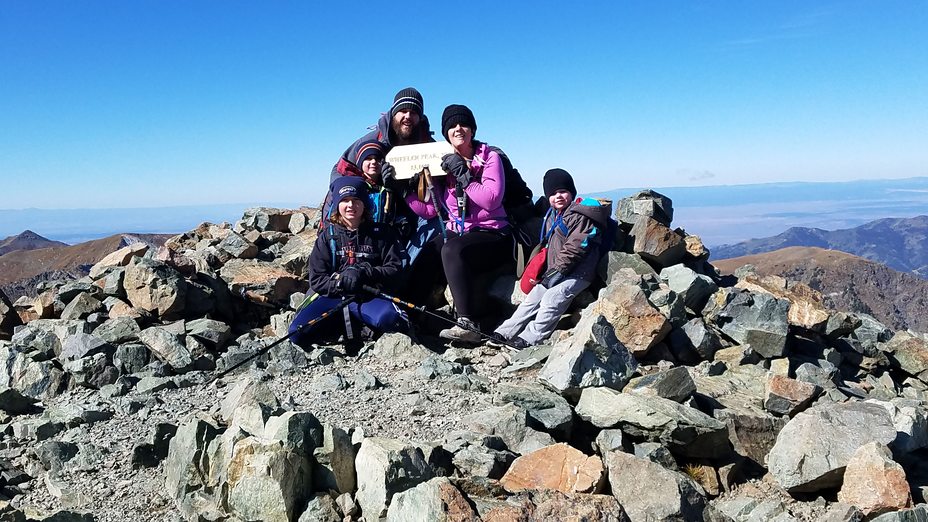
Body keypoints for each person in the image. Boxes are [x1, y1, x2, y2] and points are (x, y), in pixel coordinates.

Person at [405, 104, 512, 342]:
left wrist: (464, 176)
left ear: (472, 130)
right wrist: (406, 193)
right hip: (461, 230)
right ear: (446, 134)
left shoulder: (489, 158)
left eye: (463, 124)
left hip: (494, 234)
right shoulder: (442, 164)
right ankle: (409, 315)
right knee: (429, 251)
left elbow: (491, 201)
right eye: (452, 126)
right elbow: (430, 210)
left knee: (451, 250)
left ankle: (468, 324)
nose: (458, 129)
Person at [492, 168, 612, 349]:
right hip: (559, 270)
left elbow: (576, 247)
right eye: (553, 193)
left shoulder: (581, 216)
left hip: (579, 273)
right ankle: (504, 331)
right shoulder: (554, 215)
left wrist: (557, 272)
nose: (558, 196)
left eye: (563, 191)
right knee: (533, 297)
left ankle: (531, 337)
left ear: (572, 192)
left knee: (553, 298)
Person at [289, 176, 408, 347]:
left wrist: (365, 273)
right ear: (337, 205)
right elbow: (316, 279)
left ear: (364, 204)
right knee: (297, 333)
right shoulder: (327, 237)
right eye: (345, 200)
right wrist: (340, 283)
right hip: (334, 296)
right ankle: (341, 325)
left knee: (390, 319)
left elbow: (395, 269)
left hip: (369, 295)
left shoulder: (382, 234)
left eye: (356, 200)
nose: (351, 205)